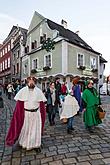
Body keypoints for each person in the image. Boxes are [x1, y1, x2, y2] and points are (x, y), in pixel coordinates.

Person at [6, 76, 47, 152]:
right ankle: (24, 143)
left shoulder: (39, 91)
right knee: (26, 129)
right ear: (27, 83)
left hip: (36, 114)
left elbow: (42, 105)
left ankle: (36, 145)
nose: (31, 83)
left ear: (35, 82)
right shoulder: (23, 91)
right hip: (26, 114)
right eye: (30, 82)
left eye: (33, 81)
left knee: (35, 130)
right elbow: (19, 106)